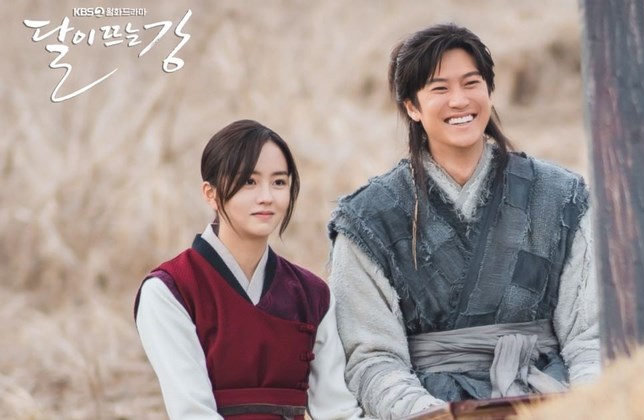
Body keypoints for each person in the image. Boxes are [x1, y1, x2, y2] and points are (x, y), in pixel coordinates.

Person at [327, 23, 601, 418]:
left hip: (552, 403)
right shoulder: (369, 218)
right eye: (439, 89)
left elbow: (590, 337)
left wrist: (588, 406)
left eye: (471, 83)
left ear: (489, 90)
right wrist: (434, 415)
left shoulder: (560, 197)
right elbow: (372, 358)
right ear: (412, 106)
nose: (459, 100)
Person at [135, 120, 365, 419]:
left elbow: (338, 411)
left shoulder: (312, 294)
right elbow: (193, 413)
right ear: (210, 193)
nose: (266, 196)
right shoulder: (171, 290)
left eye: (279, 182)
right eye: (248, 182)